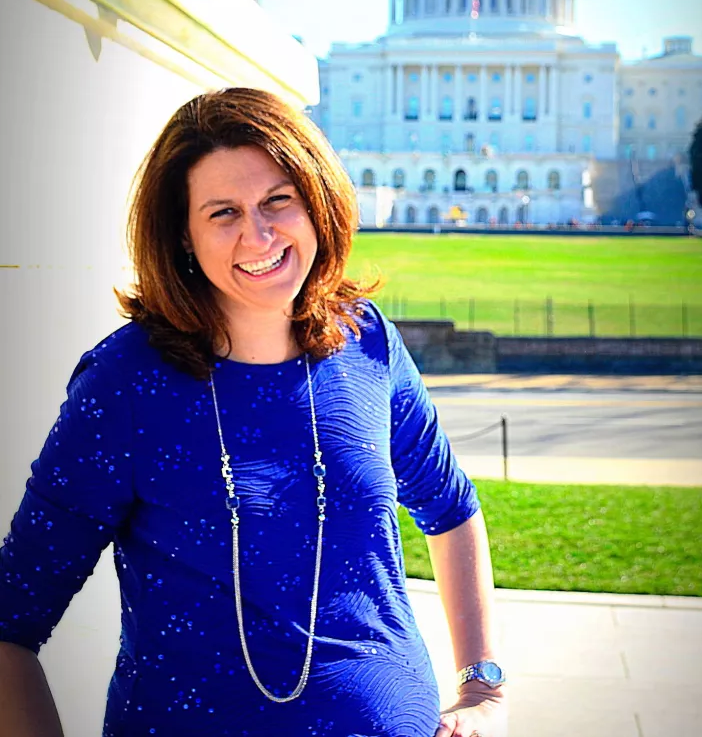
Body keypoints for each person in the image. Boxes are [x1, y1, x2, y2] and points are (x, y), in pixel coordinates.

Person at [0, 87, 507, 737]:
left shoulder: (367, 341)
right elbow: (11, 625)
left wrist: (483, 685)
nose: (258, 234)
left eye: (277, 201)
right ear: (182, 235)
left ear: (316, 203)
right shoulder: (126, 384)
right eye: (223, 213)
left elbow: (452, 506)